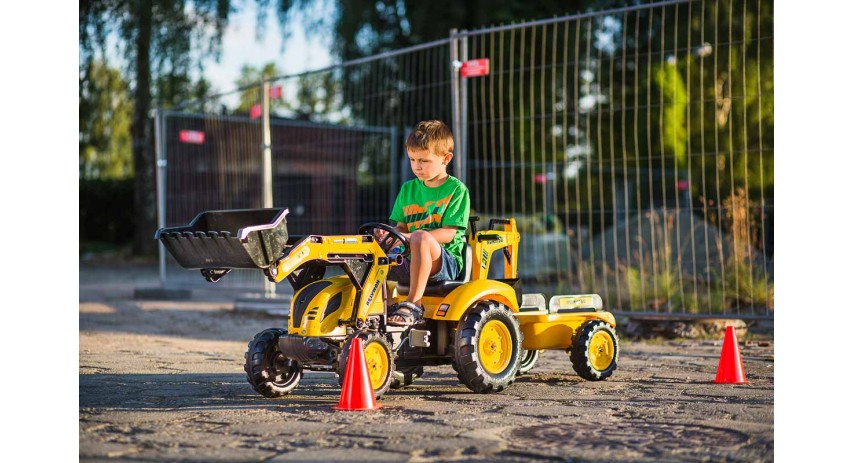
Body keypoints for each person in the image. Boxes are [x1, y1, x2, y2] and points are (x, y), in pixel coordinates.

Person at [384, 120, 470, 327]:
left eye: (424, 160)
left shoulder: (456, 191)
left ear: (446, 158)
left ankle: (414, 304)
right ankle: (381, 305)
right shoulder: (408, 189)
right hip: (410, 257)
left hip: (444, 263)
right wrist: (391, 236)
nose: (417, 166)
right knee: (374, 243)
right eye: (412, 159)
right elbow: (401, 228)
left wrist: (412, 237)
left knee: (422, 236)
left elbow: (449, 234)